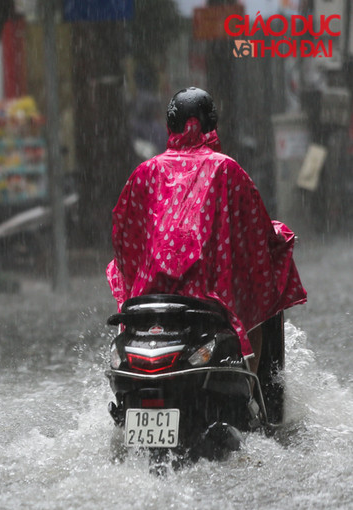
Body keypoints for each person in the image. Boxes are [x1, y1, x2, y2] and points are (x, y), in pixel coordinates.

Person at [106, 87, 307, 374]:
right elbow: (256, 230)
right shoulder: (227, 169)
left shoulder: (145, 171)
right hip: (213, 297)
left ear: (171, 125)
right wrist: (280, 237)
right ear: (211, 125)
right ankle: (251, 389)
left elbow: (124, 239)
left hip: (151, 296)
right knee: (256, 307)